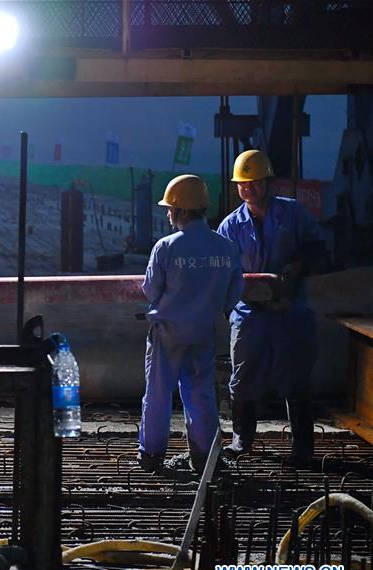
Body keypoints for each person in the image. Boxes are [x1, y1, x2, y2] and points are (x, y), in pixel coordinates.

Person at [217, 149, 324, 464]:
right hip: (249, 317)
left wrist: (295, 268)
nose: (248, 188)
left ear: (267, 182)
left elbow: (317, 247)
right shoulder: (230, 226)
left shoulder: (293, 214)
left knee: (296, 380)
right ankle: (241, 442)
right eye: (242, 183)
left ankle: (302, 449)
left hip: (291, 312)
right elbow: (224, 273)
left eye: (253, 182)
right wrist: (231, 306)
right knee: (243, 380)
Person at [138, 175, 243, 473]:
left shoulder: (166, 246)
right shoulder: (226, 248)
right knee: (200, 394)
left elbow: (150, 290)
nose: (168, 213)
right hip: (202, 332)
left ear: (182, 210)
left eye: (170, 208)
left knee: (158, 392)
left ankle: (151, 455)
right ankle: (204, 458)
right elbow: (234, 292)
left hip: (167, 332)